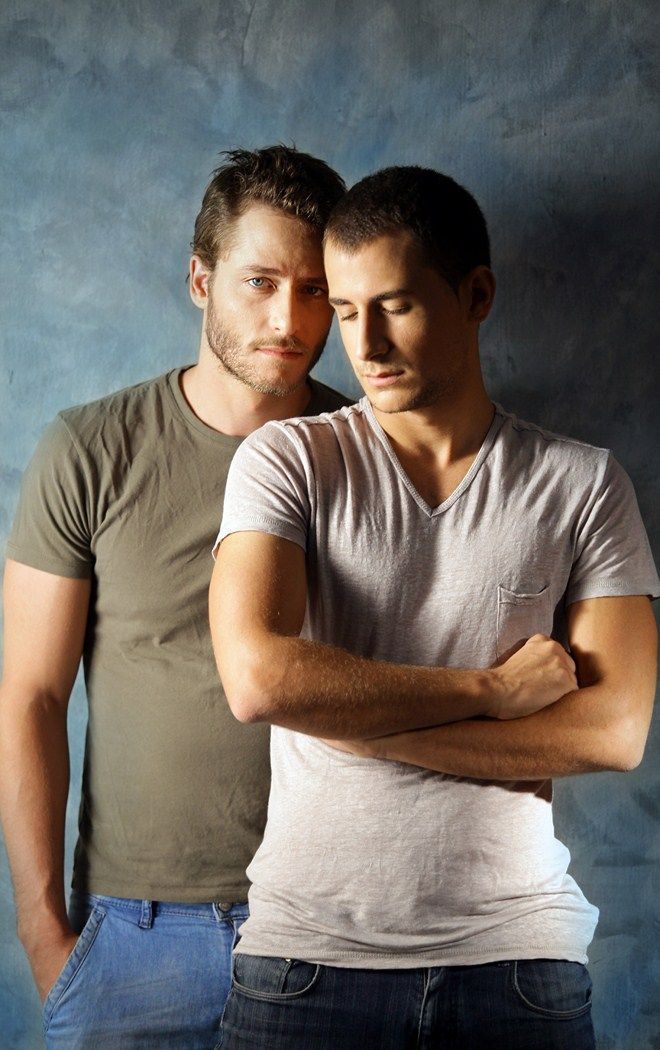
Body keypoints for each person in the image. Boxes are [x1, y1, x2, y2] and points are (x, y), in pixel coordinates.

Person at [210, 165, 659, 1049]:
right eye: (346, 311)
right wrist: (491, 692)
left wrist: (361, 729)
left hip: (518, 961)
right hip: (306, 962)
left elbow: (614, 731)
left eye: (397, 305)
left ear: (476, 295)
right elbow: (259, 678)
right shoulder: (287, 461)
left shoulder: (582, 483)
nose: (366, 344)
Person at [0, 145, 349, 1048]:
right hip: (132, 937)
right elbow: (31, 697)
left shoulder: (368, 453)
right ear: (201, 281)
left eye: (314, 290)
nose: (288, 318)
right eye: (259, 282)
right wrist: (44, 936)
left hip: (329, 927)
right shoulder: (90, 449)